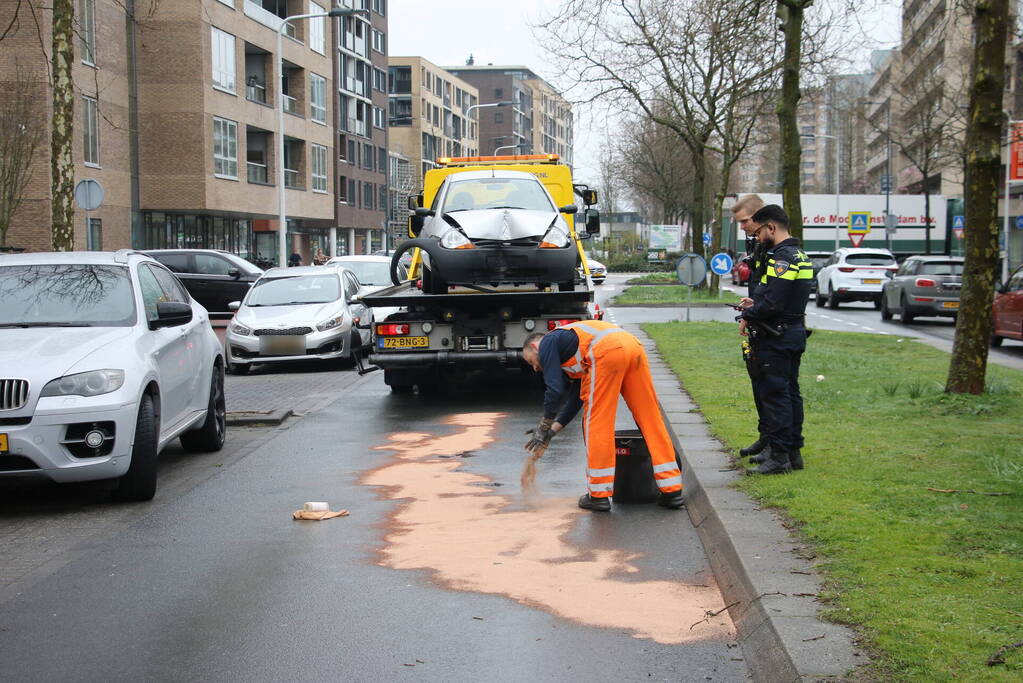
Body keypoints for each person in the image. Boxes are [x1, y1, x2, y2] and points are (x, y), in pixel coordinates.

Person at [521, 320, 684, 511]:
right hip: (633, 347)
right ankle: (672, 490)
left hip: (606, 351)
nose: (534, 368)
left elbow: (555, 391)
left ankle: (598, 495)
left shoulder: (548, 341)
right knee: (650, 418)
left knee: (597, 422)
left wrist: (543, 426)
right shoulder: (571, 351)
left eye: (531, 360)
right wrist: (552, 432)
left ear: (534, 346)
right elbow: (575, 401)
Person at [737, 204, 813, 474]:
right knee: (791, 393)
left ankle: (779, 457)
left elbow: (772, 304)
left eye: (758, 232)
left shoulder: (782, 258)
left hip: (776, 336)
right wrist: (756, 301)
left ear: (771, 227)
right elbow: (781, 297)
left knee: (776, 395)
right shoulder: (800, 255)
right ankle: (793, 452)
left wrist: (749, 311)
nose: (757, 238)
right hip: (793, 331)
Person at [730, 194, 769, 460]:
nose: (742, 227)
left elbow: (774, 293)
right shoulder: (757, 245)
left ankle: (774, 444)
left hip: (771, 328)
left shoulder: (774, 250)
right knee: (759, 386)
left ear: (760, 217)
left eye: (745, 221)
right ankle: (765, 437)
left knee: (771, 389)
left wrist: (754, 310)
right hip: (758, 323)